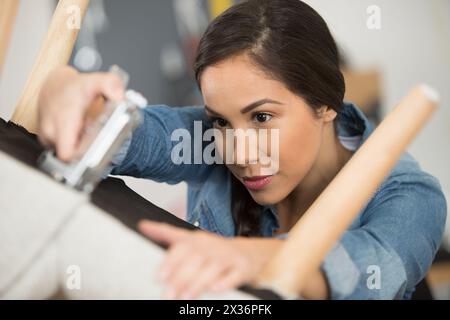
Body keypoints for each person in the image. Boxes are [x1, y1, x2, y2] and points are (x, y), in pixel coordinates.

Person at [37, 0, 446, 300]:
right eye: (220, 121)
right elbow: (144, 135)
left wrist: (250, 257)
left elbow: (375, 268)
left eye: (262, 118)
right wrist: (66, 91)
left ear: (325, 103)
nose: (241, 153)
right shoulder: (211, 145)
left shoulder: (411, 196)